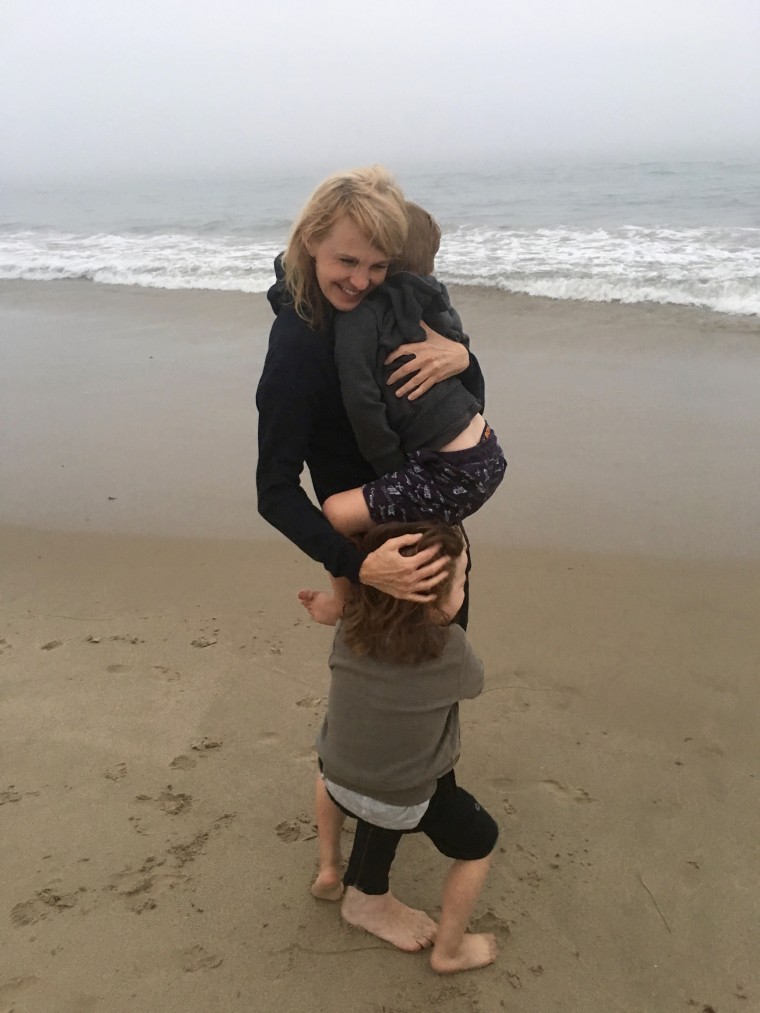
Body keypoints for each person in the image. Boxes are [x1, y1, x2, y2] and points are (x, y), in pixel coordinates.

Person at [256, 166, 486, 614]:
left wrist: (464, 360)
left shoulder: (384, 309)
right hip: (374, 560)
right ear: (310, 241)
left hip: (431, 539)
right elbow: (274, 490)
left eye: (377, 266)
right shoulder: (297, 346)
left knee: (447, 671)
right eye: (347, 261)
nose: (360, 282)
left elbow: (458, 408)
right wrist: (357, 567)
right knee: (379, 681)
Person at [298, 201, 507, 625]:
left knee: (337, 514)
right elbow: (458, 357)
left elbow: (362, 400)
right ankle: (453, 571)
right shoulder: (433, 297)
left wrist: (389, 468)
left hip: (449, 468)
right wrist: (464, 358)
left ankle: (356, 600)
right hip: (485, 450)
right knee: (430, 518)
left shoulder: (364, 318)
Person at [313, 521, 499, 974]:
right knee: (480, 844)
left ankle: (329, 869)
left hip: (335, 780)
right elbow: (474, 686)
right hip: (402, 800)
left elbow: (348, 599)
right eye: (460, 582)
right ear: (436, 604)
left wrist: (330, 604)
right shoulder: (450, 648)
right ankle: (450, 950)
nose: (463, 591)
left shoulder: (351, 625)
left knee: (327, 760)